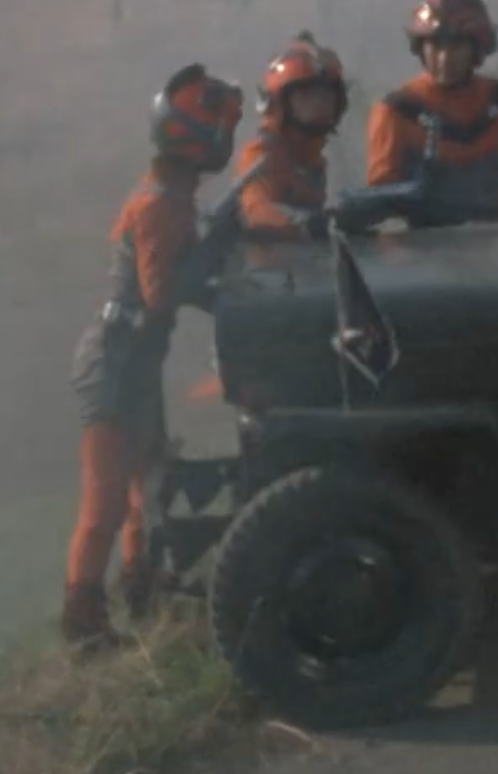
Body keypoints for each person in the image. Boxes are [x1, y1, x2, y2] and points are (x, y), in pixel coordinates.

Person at [64, 65, 245, 649]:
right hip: (116, 361)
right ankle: (83, 623)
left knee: (148, 479)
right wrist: (209, 270)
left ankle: (140, 587)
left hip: (135, 359)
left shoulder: (171, 198)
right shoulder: (158, 207)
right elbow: (160, 294)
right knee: (107, 500)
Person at [365, 0, 498, 226]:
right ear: (421, 49)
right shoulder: (396, 111)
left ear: (476, 49)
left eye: (456, 45)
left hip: (495, 241)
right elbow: (379, 202)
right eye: (435, 46)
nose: (445, 59)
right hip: (426, 245)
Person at [237, 31, 349, 241]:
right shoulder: (261, 155)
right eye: (307, 95)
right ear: (280, 103)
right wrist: (307, 224)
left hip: (302, 257)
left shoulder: (313, 158)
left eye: (326, 94)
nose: (319, 103)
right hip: (267, 260)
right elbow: (256, 212)